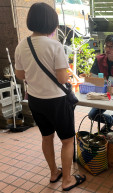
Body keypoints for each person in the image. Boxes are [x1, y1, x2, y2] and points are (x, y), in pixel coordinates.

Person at [15, 3, 86, 191]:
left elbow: (21, 75)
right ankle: (67, 181)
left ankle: (54, 173)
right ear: (51, 22)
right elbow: (62, 78)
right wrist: (68, 73)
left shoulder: (22, 44)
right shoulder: (55, 46)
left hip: (35, 100)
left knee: (47, 137)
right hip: (57, 101)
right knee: (67, 140)